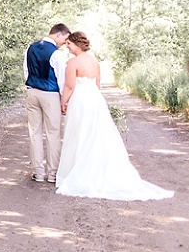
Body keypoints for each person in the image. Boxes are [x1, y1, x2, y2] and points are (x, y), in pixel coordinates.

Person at [55, 31, 174, 200]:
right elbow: (97, 84)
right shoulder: (95, 62)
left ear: (77, 44)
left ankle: (75, 172)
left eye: (69, 44)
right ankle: (94, 169)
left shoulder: (73, 62)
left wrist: (63, 102)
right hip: (95, 100)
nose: (67, 47)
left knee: (78, 134)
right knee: (96, 135)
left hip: (81, 100)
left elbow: (69, 86)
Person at [24, 23, 71, 183]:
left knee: (34, 132)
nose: (64, 44)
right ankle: (53, 173)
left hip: (32, 92)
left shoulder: (30, 48)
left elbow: (26, 71)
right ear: (58, 34)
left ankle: (38, 172)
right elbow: (61, 79)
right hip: (50, 95)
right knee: (53, 133)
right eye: (64, 40)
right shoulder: (57, 54)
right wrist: (64, 100)